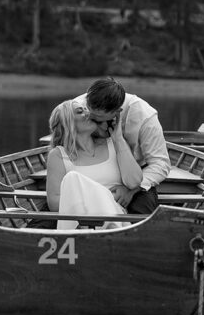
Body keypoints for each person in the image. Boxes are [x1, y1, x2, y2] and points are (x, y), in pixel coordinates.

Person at [74, 76, 171, 214]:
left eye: (98, 120)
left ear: (117, 112)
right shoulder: (76, 108)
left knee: (142, 215)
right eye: (91, 118)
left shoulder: (145, 116)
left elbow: (160, 163)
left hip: (136, 176)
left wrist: (131, 190)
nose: (94, 124)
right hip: (89, 172)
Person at [46, 99, 143, 229]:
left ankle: (111, 229)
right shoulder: (58, 155)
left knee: (73, 178)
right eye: (81, 111)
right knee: (72, 179)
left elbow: (135, 181)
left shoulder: (113, 144)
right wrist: (102, 194)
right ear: (67, 122)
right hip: (78, 221)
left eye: (87, 109)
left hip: (116, 214)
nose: (88, 113)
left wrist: (118, 138)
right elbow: (54, 204)